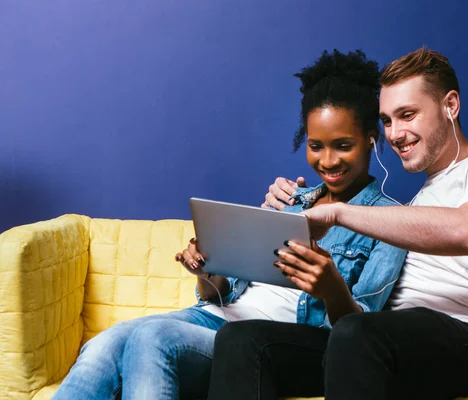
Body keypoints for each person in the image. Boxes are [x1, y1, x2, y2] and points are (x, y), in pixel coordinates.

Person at [51, 49, 406, 400]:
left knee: (152, 338)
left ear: (371, 138)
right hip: (216, 316)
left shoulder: (389, 222)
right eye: (316, 146)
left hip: (273, 341)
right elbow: (223, 291)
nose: (327, 160)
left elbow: (359, 333)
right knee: (105, 343)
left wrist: (330, 286)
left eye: (342, 146)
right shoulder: (291, 200)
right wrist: (208, 267)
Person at [206, 47, 468, 400]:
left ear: (450, 105)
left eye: (408, 115)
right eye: (387, 120)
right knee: (244, 341)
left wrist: (338, 212)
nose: (394, 133)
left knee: (356, 335)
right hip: (378, 340)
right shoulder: (416, 203)